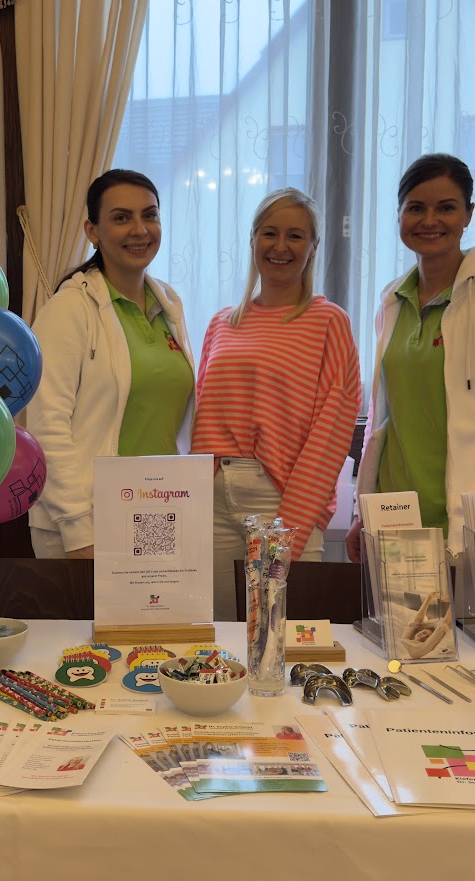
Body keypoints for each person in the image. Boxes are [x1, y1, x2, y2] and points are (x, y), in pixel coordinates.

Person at [347, 153, 475, 562]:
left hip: (467, 525)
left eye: (446, 208)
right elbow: (382, 419)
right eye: (416, 208)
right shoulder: (392, 301)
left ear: (468, 214)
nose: (430, 220)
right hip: (393, 519)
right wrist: (361, 508)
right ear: (399, 214)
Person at [193, 188, 361, 621]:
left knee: (281, 635)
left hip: (282, 498)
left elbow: (332, 429)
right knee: (219, 631)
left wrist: (293, 523)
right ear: (253, 240)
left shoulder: (329, 321)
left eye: (295, 236)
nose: (280, 246)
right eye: (269, 233)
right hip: (214, 496)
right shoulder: (221, 323)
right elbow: (203, 421)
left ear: (313, 246)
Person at [29, 169, 196, 559]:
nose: (140, 229)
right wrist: (78, 530)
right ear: (92, 230)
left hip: (155, 514)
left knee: (155, 604)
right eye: (122, 218)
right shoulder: (68, 310)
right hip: (85, 523)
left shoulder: (168, 305)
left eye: (149, 215)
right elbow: (47, 426)